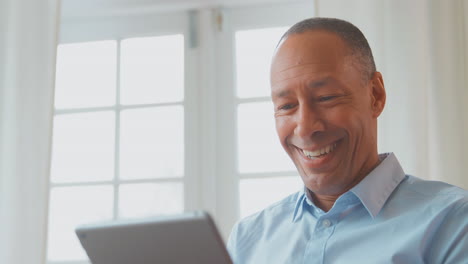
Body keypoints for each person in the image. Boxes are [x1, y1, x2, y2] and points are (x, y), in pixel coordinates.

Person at [227, 17, 468, 264]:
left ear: (375, 95)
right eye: (287, 106)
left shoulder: (453, 222)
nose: (306, 128)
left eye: (326, 97)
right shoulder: (247, 240)